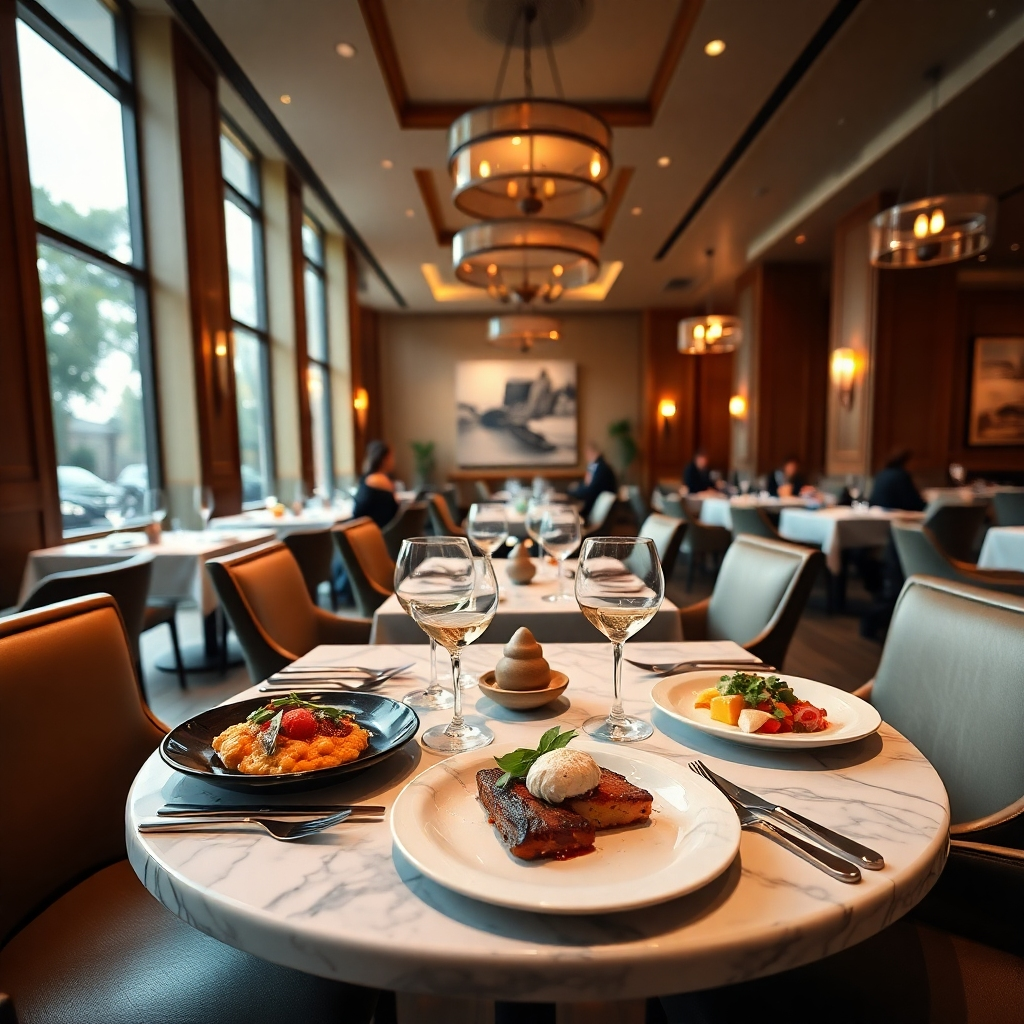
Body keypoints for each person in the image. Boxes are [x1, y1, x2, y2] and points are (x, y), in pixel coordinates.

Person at [353, 440, 399, 527]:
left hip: (367, 529)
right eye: (391, 457)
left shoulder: (367, 478)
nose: (393, 461)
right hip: (378, 532)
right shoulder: (379, 479)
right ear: (384, 459)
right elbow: (393, 513)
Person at [569, 442, 617, 520]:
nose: (586, 456)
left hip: (593, 511)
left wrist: (573, 491)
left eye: (587, 453)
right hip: (593, 506)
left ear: (591, 452)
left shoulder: (601, 468)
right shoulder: (596, 466)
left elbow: (590, 489)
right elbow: (588, 485)